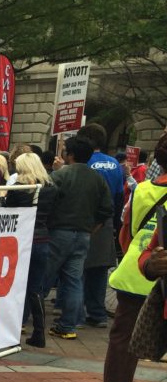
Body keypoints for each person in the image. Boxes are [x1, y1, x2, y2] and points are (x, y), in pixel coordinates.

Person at [102, 134, 167, 382]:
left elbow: (126, 232)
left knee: (122, 340)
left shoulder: (142, 189)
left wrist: (137, 257)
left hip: (135, 269)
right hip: (151, 271)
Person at [42, 136, 113, 339]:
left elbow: (46, 201)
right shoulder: (98, 179)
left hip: (59, 232)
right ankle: (68, 326)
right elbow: (106, 209)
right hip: (83, 235)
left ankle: (26, 320)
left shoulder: (60, 176)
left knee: (43, 278)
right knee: (74, 280)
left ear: (70, 154)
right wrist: (92, 229)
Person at [5, 152, 58, 347]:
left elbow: (8, 213)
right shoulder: (51, 188)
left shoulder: (19, 189)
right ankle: (39, 332)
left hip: (21, 240)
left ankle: (10, 330)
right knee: (36, 289)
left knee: (14, 286)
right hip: (42, 239)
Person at [77, 124, 125, 329]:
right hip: (106, 221)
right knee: (99, 270)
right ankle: (97, 314)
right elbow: (120, 196)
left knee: (77, 269)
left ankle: (75, 314)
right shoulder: (115, 163)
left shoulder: (84, 162)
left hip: (84, 220)